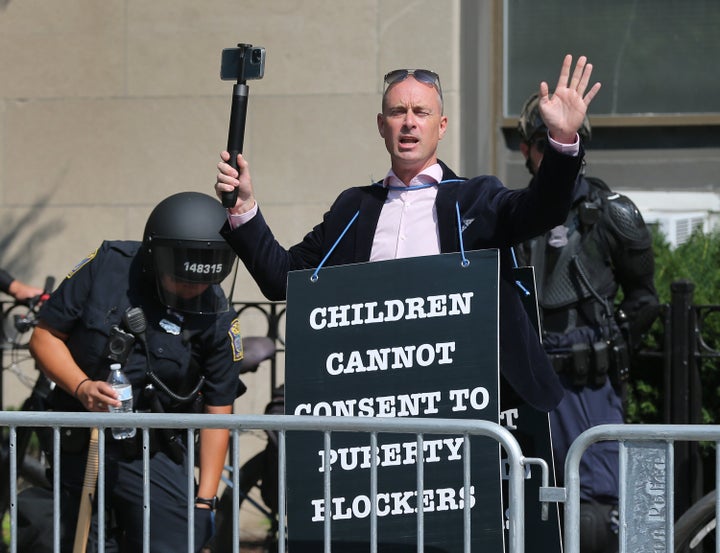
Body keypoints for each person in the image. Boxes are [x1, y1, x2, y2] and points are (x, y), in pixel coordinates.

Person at [214, 54, 600, 413]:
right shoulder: (354, 208)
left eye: (421, 112)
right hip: (378, 408)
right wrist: (243, 207)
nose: (409, 122)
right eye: (398, 112)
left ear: (441, 126)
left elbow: (544, 210)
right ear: (382, 126)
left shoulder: (476, 197)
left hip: (469, 403)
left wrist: (563, 143)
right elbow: (282, 278)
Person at [28, 192, 246, 553]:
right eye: (182, 280)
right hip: (83, 440)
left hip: (155, 452)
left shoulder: (220, 317)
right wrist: (82, 387)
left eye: (203, 282)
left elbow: (218, 411)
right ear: (155, 257)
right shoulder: (108, 266)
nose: (194, 290)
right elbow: (44, 335)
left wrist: (205, 500)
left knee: (175, 543)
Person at [514, 92, 659, 553]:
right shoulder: (511, 215)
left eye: (564, 139)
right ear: (527, 151)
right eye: (543, 141)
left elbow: (645, 299)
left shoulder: (612, 213)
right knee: (528, 504)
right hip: (528, 385)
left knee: (596, 506)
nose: (552, 150)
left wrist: (608, 352)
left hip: (589, 390)